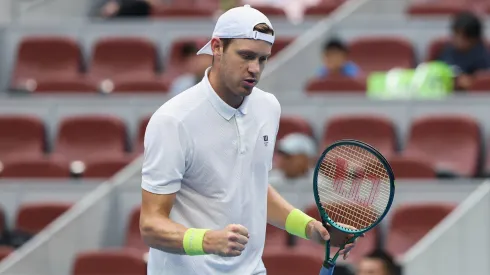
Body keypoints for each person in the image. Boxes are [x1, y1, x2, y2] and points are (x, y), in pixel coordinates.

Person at [139, 5, 358, 275]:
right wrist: (207, 241)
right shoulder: (172, 121)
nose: (255, 68)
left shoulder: (268, 107)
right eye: (246, 56)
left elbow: (253, 187)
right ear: (217, 48)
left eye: (263, 59)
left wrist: (309, 227)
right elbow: (150, 225)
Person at [437, 11, 490, 90]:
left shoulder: (483, 56)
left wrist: (471, 81)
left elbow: (483, 79)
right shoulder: (448, 50)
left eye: (459, 35)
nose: (454, 39)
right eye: (454, 34)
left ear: (473, 39)